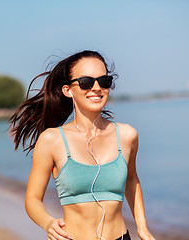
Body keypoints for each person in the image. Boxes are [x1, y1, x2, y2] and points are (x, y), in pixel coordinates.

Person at [9, 50, 155, 240]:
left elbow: (132, 181)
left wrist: (142, 227)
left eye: (104, 81)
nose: (96, 88)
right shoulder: (52, 140)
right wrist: (48, 223)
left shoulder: (127, 135)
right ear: (67, 90)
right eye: (86, 82)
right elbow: (32, 199)